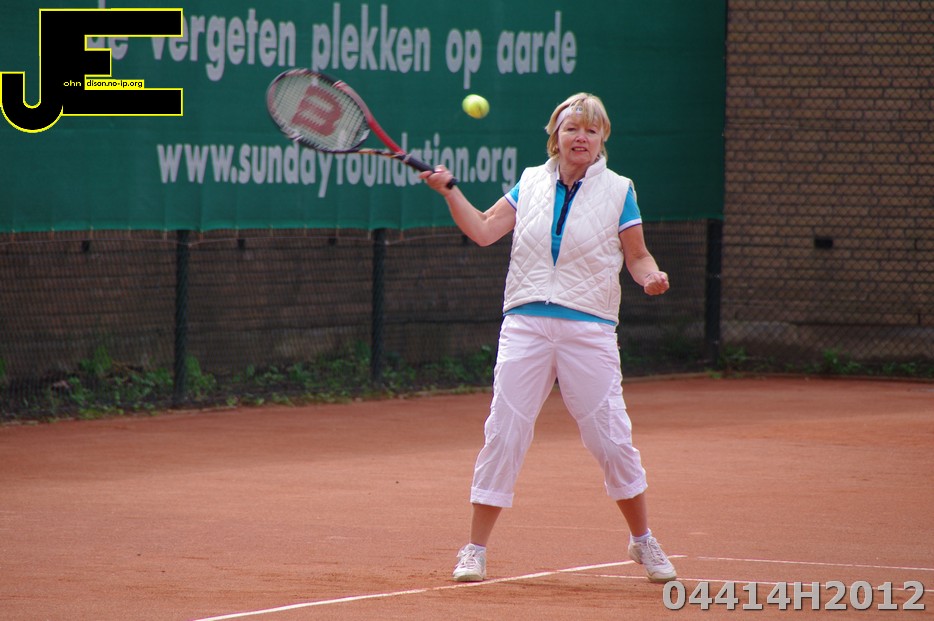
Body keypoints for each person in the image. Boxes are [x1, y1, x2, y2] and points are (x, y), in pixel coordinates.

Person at [419, 92, 676, 584]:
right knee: (504, 431)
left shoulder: (619, 190)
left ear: (602, 139)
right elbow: (484, 230)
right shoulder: (531, 182)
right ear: (556, 136)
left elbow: (637, 254)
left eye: (591, 130)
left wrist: (650, 276)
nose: (581, 137)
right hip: (526, 325)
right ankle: (475, 549)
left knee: (611, 438)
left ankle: (642, 540)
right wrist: (450, 192)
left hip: (589, 329)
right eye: (572, 128)